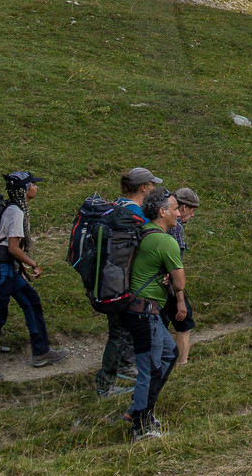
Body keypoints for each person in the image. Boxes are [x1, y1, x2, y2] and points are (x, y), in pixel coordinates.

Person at [0, 171, 68, 382]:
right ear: (25, 190)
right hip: (0, 269)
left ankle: (41, 351)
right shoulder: (16, 212)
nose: (36, 188)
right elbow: (12, 248)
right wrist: (33, 264)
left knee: (31, 300)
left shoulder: (12, 209)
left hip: (5, 267)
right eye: (33, 185)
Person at [95, 166, 161, 397]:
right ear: (143, 187)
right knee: (119, 333)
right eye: (152, 185)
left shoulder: (117, 204)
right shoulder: (135, 213)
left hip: (110, 277)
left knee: (121, 330)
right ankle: (105, 385)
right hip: (123, 281)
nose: (153, 188)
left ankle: (123, 366)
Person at [123, 187, 184, 440]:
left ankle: (142, 410)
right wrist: (172, 275)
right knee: (150, 368)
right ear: (162, 212)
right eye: (175, 209)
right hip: (144, 313)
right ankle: (140, 424)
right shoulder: (166, 240)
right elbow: (180, 284)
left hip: (142, 310)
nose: (179, 214)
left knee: (170, 353)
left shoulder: (146, 232)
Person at [162, 187, 199, 365]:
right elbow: (175, 266)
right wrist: (180, 299)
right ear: (184, 208)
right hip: (166, 287)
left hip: (151, 283)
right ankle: (181, 364)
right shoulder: (175, 228)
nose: (192, 216)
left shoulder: (160, 220)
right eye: (192, 211)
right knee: (185, 322)